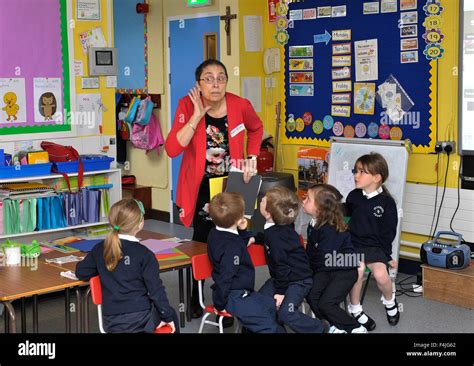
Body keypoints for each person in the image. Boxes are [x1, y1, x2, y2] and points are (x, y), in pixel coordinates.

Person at [165, 59, 263, 318]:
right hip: (203, 188)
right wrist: (197, 115)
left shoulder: (240, 105)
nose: (215, 83)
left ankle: (233, 300)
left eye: (221, 77)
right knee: (202, 242)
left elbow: (256, 128)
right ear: (198, 84)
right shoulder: (187, 105)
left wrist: (252, 157)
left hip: (233, 185)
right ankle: (195, 299)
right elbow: (173, 149)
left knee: (235, 242)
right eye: (208, 78)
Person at [76, 199, 179, 333]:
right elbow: (156, 291)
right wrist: (167, 316)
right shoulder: (145, 254)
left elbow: (81, 273)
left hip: (110, 321)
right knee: (172, 314)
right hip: (140, 319)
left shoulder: (100, 249)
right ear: (140, 223)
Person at [207, 192, 284, 333]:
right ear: (238, 219)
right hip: (233, 296)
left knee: (271, 307)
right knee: (269, 326)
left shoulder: (215, 233)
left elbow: (235, 242)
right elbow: (226, 275)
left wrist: (242, 231)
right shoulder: (232, 246)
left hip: (241, 293)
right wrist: (219, 304)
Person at [258, 186, 328, 333]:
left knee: (286, 313)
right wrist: (253, 237)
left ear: (269, 213)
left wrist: (281, 293)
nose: (261, 200)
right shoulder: (279, 226)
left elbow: (281, 266)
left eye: (263, 200)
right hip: (282, 278)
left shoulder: (276, 236)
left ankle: (320, 328)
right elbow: (268, 238)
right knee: (260, 303)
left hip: (298, 281)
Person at [345, 152, 399, 330]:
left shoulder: (387, 203)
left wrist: (387, 256)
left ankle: (390, 302)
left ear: (377, 177)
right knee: (357, 270)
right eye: (356, 170)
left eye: (361, 172)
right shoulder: (353, 196)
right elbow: (345, 220)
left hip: (375, 247)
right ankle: (355, 309)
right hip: (353, 244)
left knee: (381, 275)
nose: (356, 175)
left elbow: (388, 233)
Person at [303, 184, 367, 333]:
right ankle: (332, 326)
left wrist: (307, 269)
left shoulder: (329, 230)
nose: (304, 200)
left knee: (327, 303)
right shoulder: (313, 223)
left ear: (319, 209)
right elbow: (314, 253)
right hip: (325, 269)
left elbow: (323, 258)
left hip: (343, 271)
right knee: (312, 296)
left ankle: (355, 328)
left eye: (308, 199)